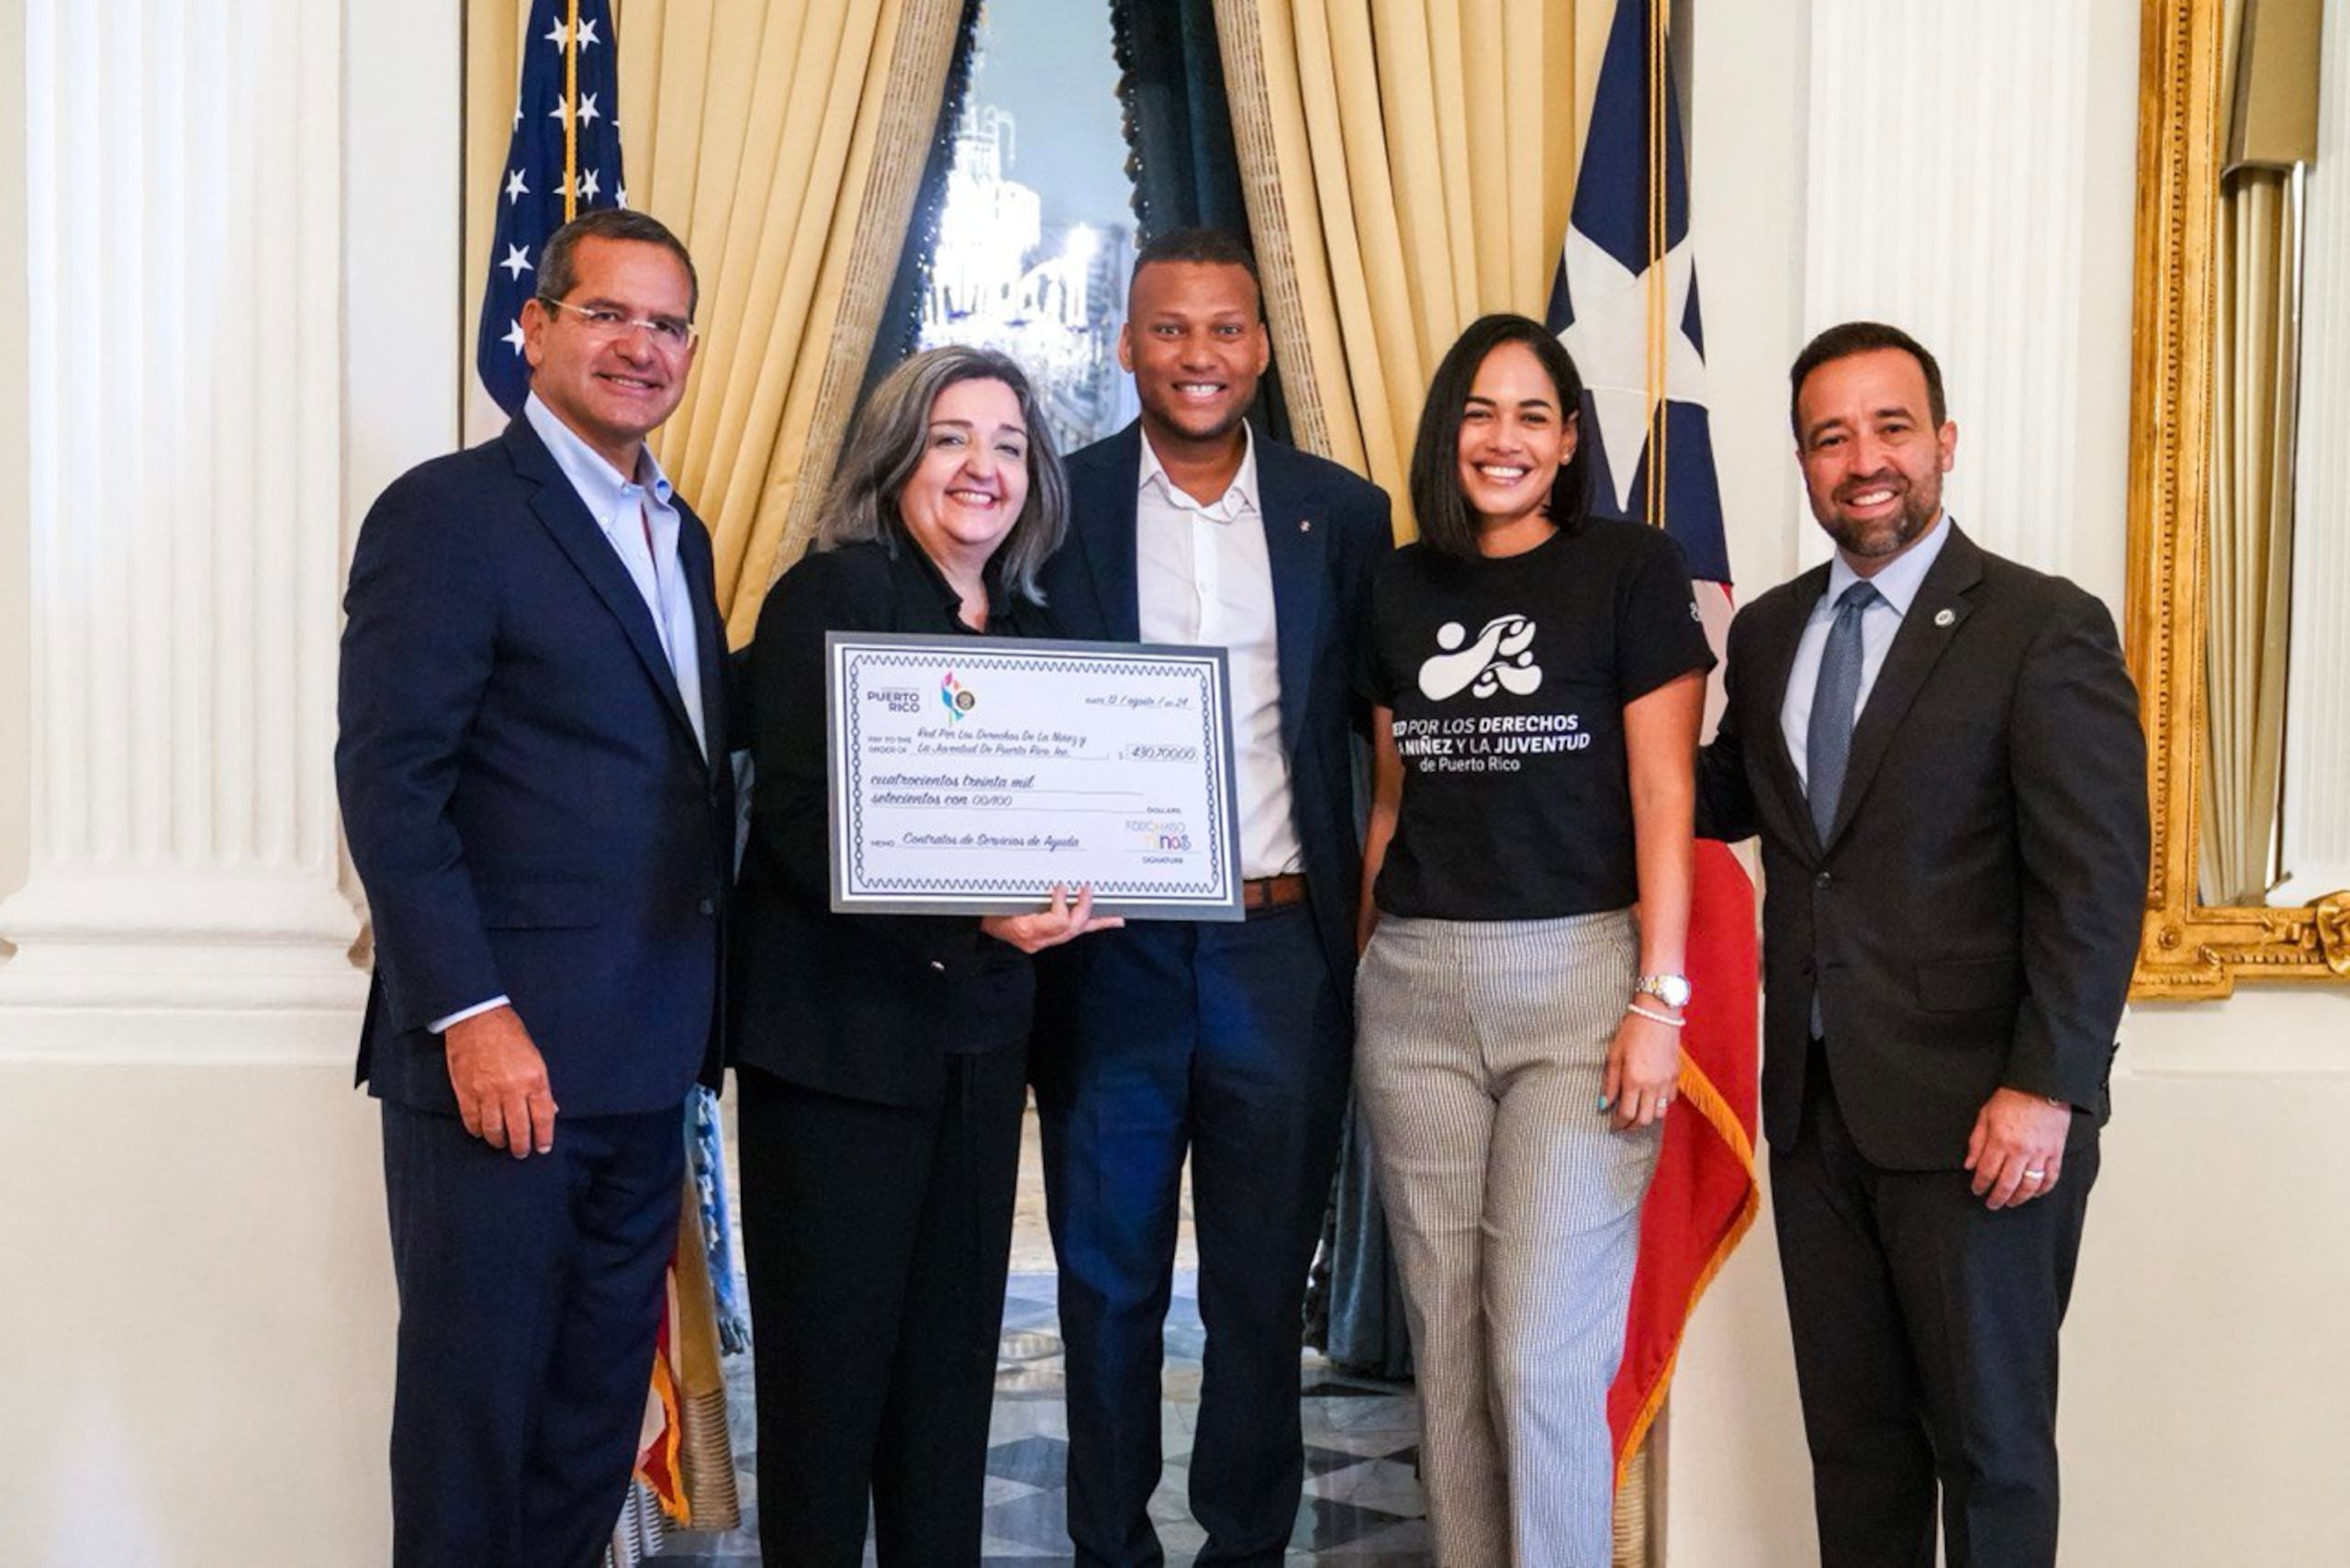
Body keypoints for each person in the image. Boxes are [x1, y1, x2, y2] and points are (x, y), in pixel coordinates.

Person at [1696, 321, 2148, 1568]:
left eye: (1891, 427)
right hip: (1815, 1111)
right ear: (1802, 462)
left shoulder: (2040, 628)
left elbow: (2099, 881)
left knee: (1991, 1456)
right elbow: (1725, 797)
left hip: (1982, 1122)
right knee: (1856, 1455)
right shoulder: (1775, 632)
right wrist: (1568, 722)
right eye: (1830, 436)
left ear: (1943, 442)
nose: (1864, 459)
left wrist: (2047, 1085)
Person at [337, 207, 732, 1566]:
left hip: (643, 1055)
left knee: (584, 1420)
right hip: (500, 1065)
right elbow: (393, 788)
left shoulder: (681, 534)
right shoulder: (447, 515)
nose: (641, 346)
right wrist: (470, 1016)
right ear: (536, 326)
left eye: (668, 323)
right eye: (609, 313)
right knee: (474, 1417)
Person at [1029, 227, 1392, 1565]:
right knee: (1104, 1284)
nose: (1198, 355)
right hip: (1108, 953)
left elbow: (1384, 733)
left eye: (1224, 329)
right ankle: (1108, 1550)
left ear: (1262, 346)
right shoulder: (1051, 504)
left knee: (1256, 1288)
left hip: (1275, 949)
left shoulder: (1339, 513)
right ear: (1125, 344)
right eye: (1168, 329)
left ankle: (1246, 1548)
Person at [731, 345, 1120, 1567]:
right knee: (827, 1398)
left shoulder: (1041, 632)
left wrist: (1067, 891)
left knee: (949, 1395)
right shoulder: (827, 596)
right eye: (953, 437)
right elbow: (797, 822)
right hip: (837, 1056)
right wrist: (972, 917)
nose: (982, 467)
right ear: (900, 456)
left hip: (976, 1052)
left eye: (1009, 445)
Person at [1351, 314, 1711, 1564]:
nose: (1503, 439)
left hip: (1580, 989)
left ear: (1567, 444)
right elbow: (1394, 797)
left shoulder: (1630, 569)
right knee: (1448, 1353)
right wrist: (1363, 968)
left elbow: (1669, 796)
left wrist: (1660, 1000)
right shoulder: (1398, 585)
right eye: (1480, 412)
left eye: (1533, 416)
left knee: (1539, 1354)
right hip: (1414, 995)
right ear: (1448, 429)